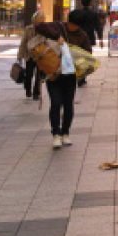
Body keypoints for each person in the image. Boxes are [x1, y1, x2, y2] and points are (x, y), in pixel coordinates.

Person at [33, 18, 77, 149]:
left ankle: (65, 133)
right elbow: (40, 27)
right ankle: (56, 134)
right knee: (56, 102)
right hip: (53, 76)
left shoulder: (82, 35)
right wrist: (58, 36)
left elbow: (87, 52)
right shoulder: (58, 28)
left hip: (70, 75)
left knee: (68, 104)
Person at [17, 11, 45, 101]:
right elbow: (23, 43)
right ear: (34, 19)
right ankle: (28, 88)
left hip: (41, 56)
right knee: (29, 74)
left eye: (43, 18)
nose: (42, 20)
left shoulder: (46, 29)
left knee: (39, 76)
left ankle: (36, 92)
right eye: (40, 18)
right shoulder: (28, 29)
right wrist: (20, 55)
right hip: (30, 55)